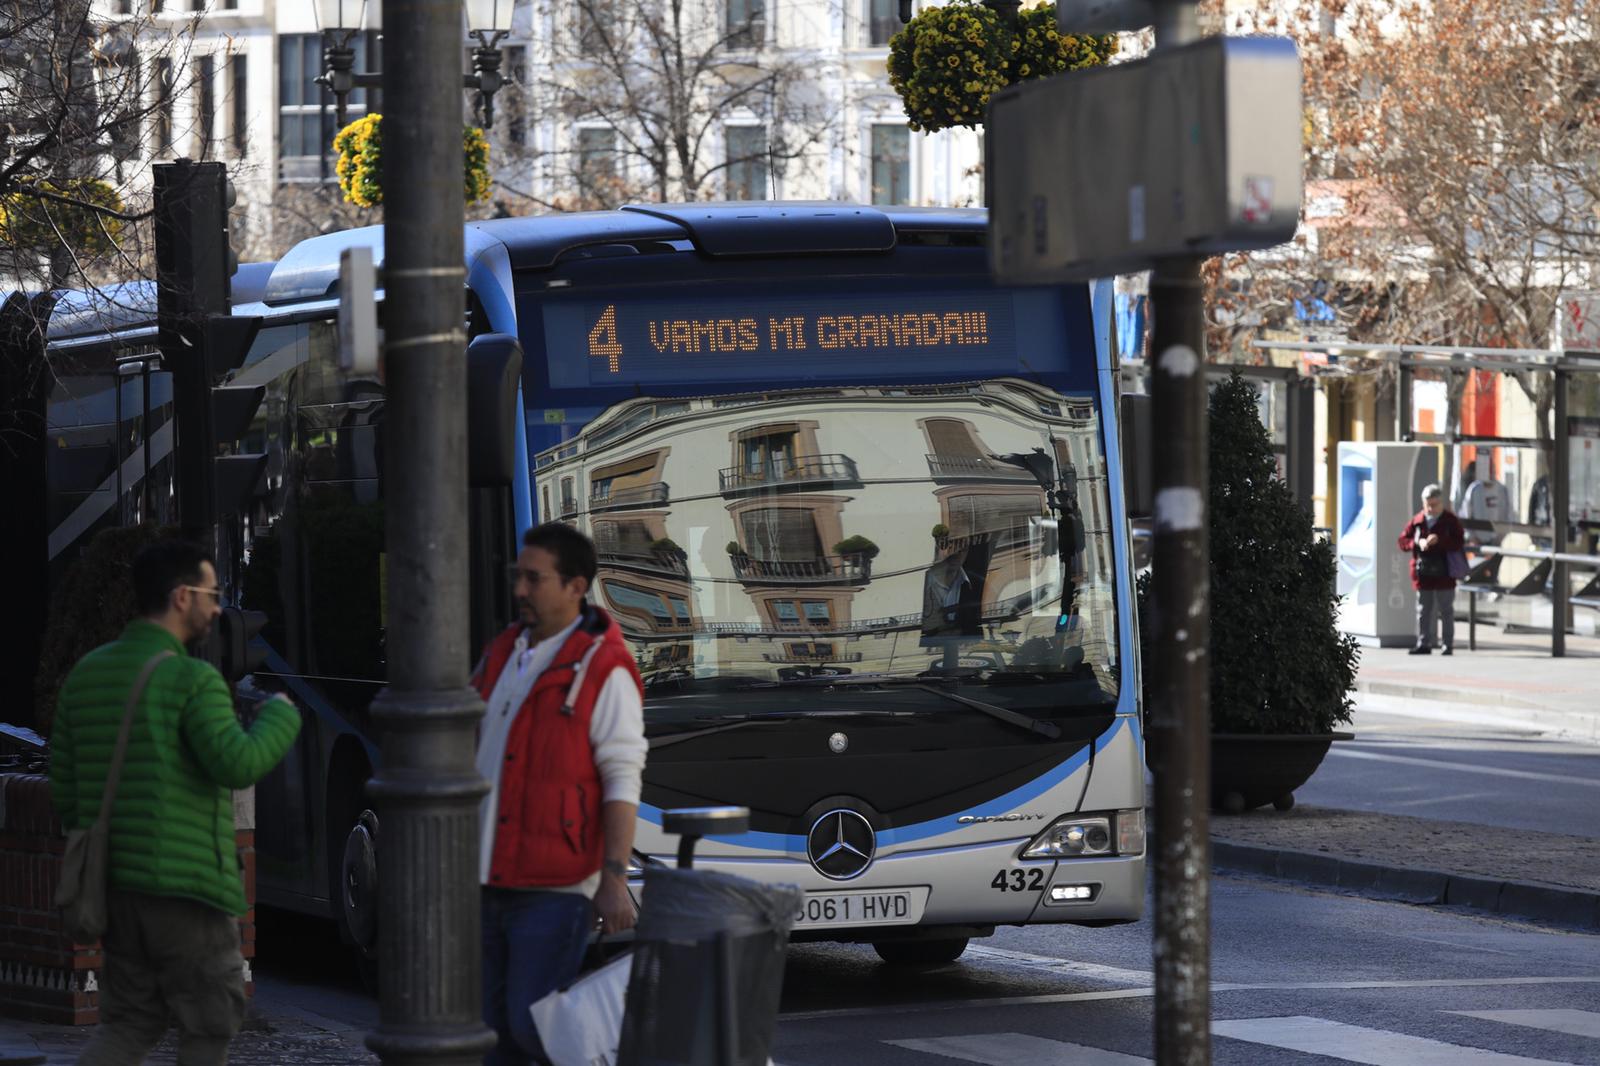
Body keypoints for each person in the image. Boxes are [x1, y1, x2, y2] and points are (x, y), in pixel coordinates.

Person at [49, 540, 301, 1066]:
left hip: (116, 888)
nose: (218, 607)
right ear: (181, 597)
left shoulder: (85, 676)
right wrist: (280, 715)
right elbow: (237, 764)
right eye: (212, 594)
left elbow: (67, 793)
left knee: (128, 1023)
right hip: (188, 894)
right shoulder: (191, 679)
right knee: (209, 1025)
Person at [475, 522, 647, 1065]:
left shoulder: (604, 668)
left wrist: (614, 879)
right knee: (492, 1034)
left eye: (534, 578)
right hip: (486, 878)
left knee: (537, 1028)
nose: (520, 590)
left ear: (576, 587)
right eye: (516, 577)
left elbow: (622, 778)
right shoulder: (505, 650)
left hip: (557, 885)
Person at [1397, 484, 1466, 656]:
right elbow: (1403, 541)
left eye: (1434, 505)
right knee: (1423, 609)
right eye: (1427, 504)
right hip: (1424, 572)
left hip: (1445, 572)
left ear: (1441, 503)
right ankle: (1423, 642)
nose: (1430, 509)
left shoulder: (1450, 520)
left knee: (1446, 610)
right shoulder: (1418, 520)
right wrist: (1417, 543)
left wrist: (1440, 540)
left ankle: (1447, 644)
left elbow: (1459, 542)